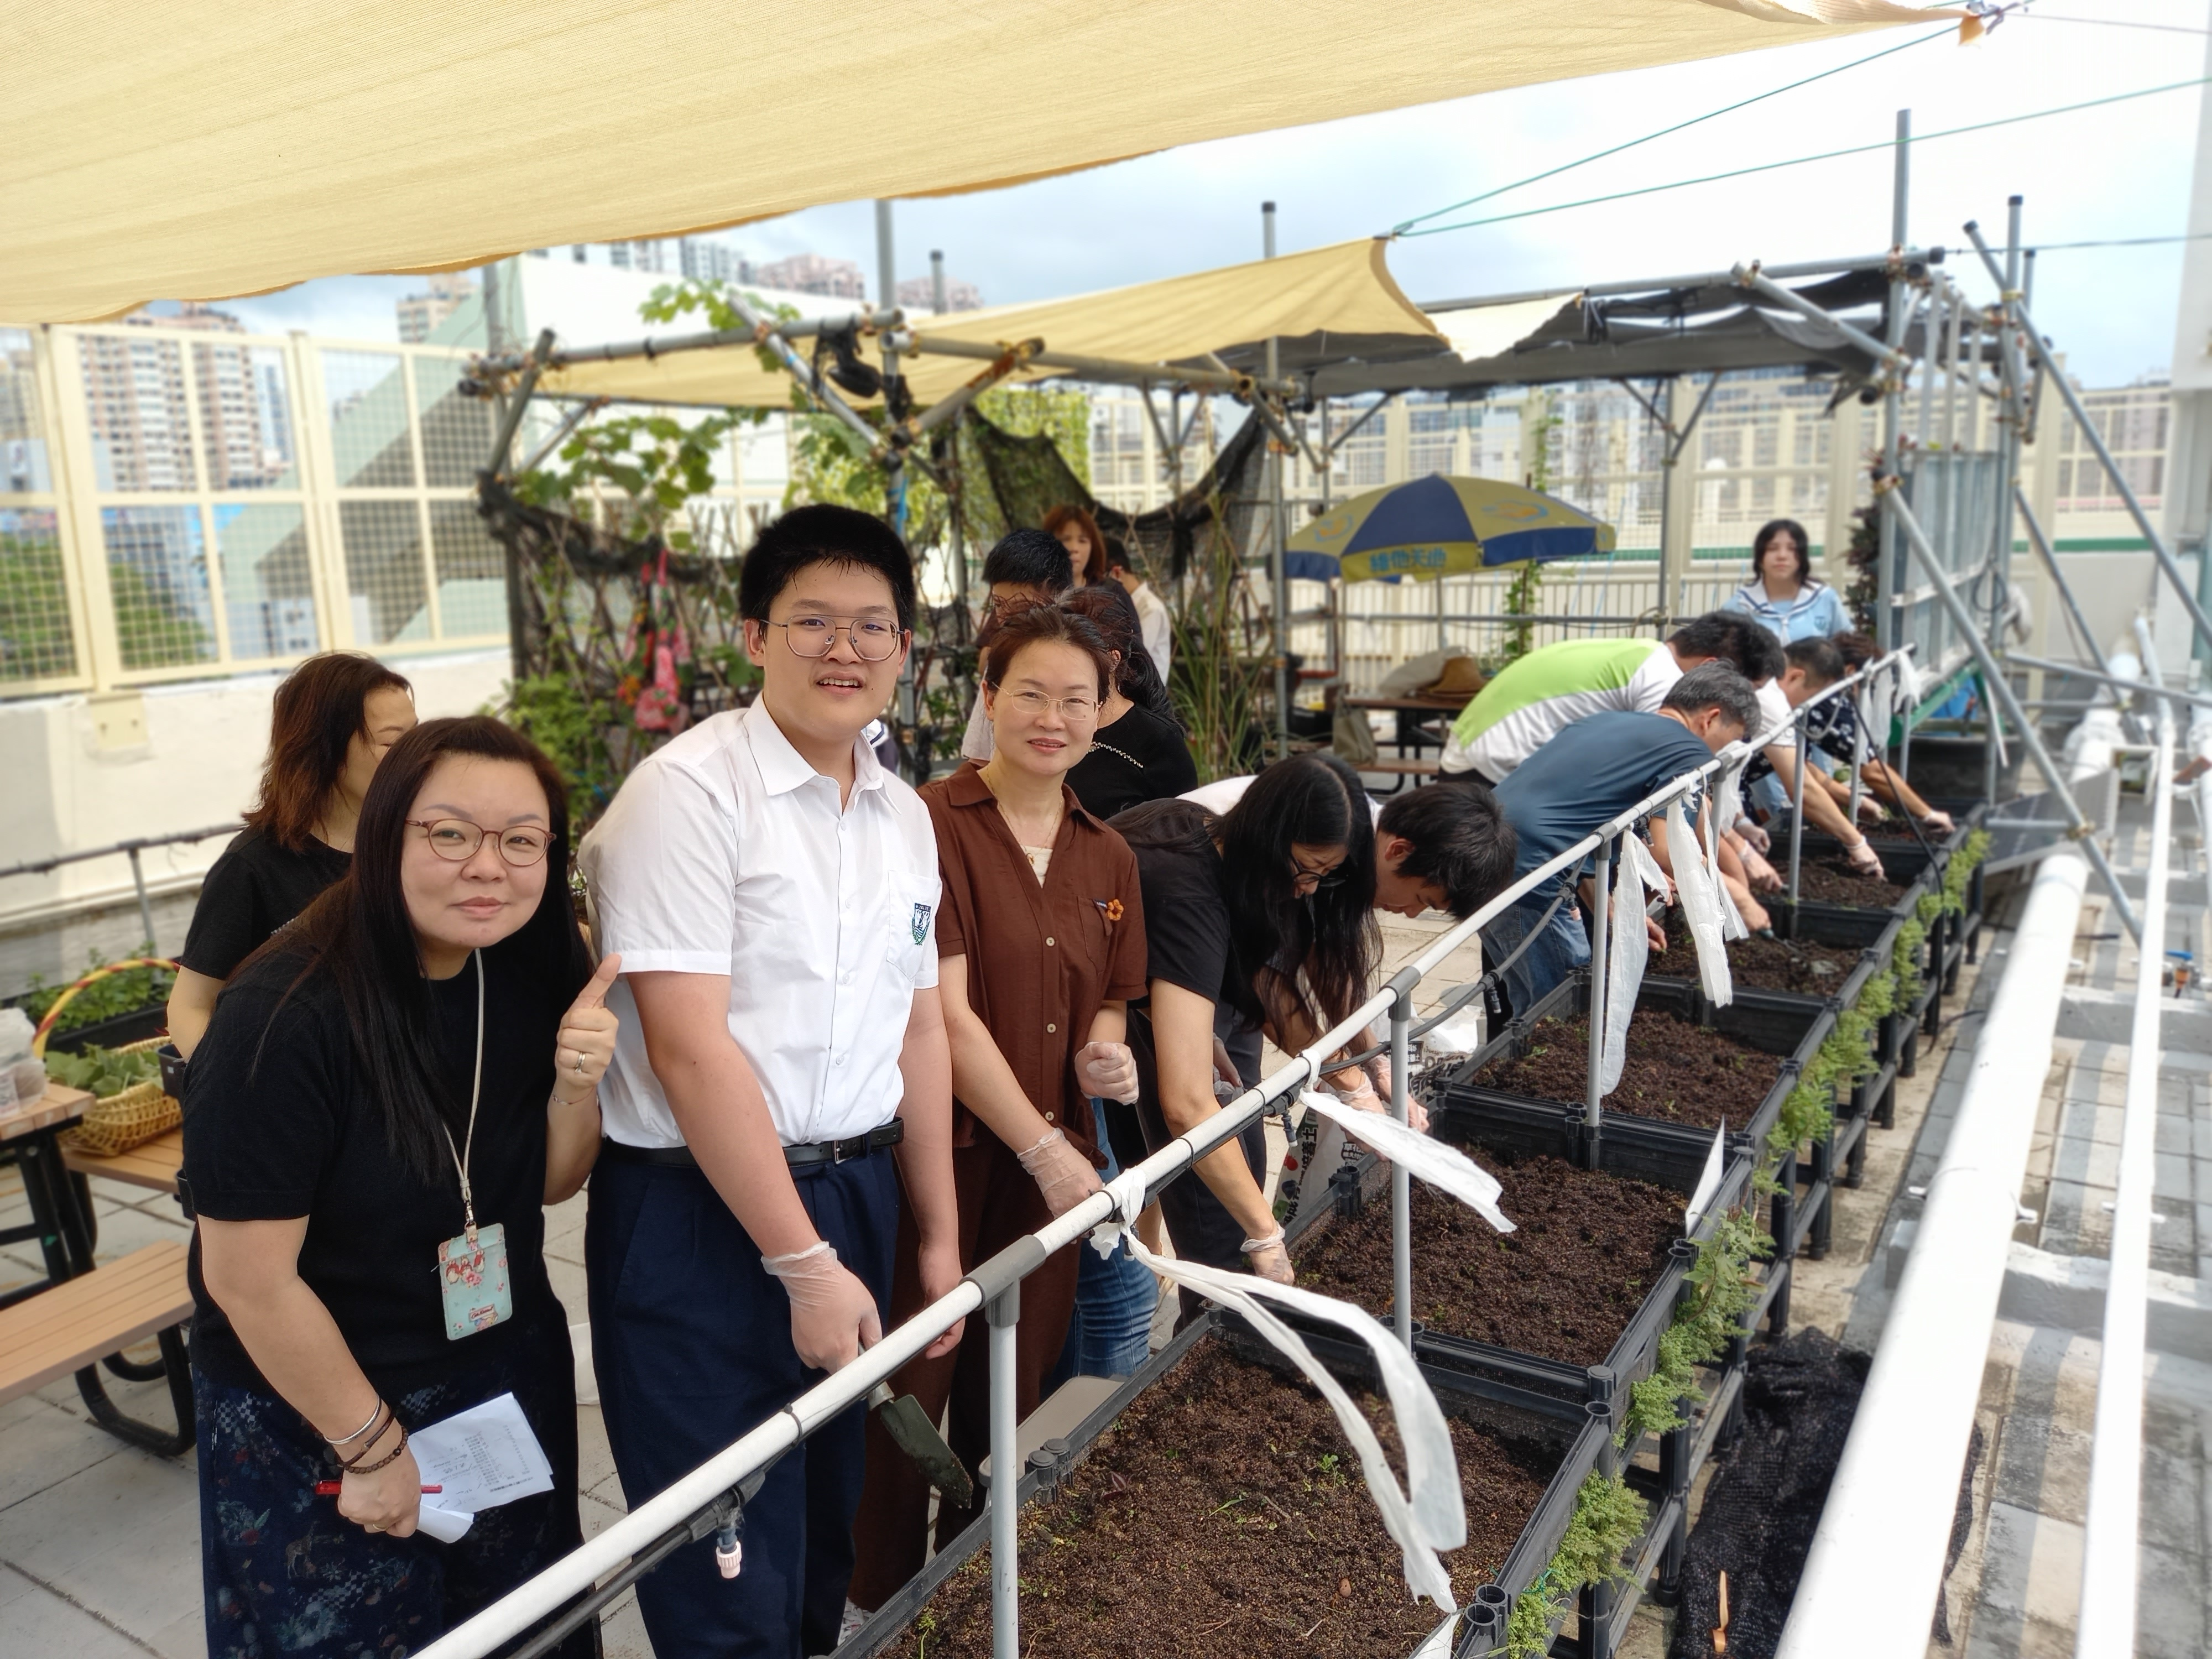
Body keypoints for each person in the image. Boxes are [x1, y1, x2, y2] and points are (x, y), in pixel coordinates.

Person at [578, 505, 964, 1659]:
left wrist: (937, 1236)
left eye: (872, 626)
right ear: (753, 637)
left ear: (905, 648)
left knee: (819, 1530)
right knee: (723, 1553)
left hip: (857, 1192)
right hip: (699, 1213)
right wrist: (800, 1264)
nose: (845, 649)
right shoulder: (686, 796)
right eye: (812, 622)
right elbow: (690, 1050)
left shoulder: (902, 815)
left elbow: (919, 1030)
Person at [183, 716, 614, 1659]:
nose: (488, 867)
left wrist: (577, 1088)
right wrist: (370, 1446)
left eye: (522, 841)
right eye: (450, 833)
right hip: (323, 1400)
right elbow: (249, 1280)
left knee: (533, 1630)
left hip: (499, 1371)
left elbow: (552, 1184)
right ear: (384, 833)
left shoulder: (530, 963)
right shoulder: (282, 1013)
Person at [847, 605, 1149, 1620]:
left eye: (1077, 700)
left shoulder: (1108, 853)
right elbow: (944, 1014)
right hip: (947, 1154)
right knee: (912, 1382)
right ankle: (879, 1609)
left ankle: (979, 1594)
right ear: (988, 697)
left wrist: (1107, 1053)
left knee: (1011, 1387)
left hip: (1052, 1161)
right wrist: (1045, 1150)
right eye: (1030, 694)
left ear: (1104, 713)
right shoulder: (926, 823)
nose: (1053, 719)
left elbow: (1113, 994)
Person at [1111, 754, 1385, 1323]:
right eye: (1306, 869)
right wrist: (1263, 1231)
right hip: (1057, 1039)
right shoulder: (1187, 890)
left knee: (1235, 1153)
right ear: (1268, 835)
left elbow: (1266, 985)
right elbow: (1187, 1104)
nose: (1307, 890)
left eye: (1325, 876)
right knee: (1125, 1276)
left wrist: (1354, 1087)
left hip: (1114, 1021)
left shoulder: (1221, 852)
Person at [168, 653, 416, 1057]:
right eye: (392, 742)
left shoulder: (419, 840)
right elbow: (189, 1008)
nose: (416, 758)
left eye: (417, 738)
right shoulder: (252, 866)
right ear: (325, 748)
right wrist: (234, 1085)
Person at [1482, 663, 1762, 1017]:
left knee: (1532, 1008)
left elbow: (1575, 832)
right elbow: (1668, 851)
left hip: (1481, 850)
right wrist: (1738, 897)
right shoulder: (1688, 751)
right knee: (1570, 1008)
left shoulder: (1603, 722)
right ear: (1711, 718)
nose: (1724, 755)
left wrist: (1615, 913)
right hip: (1531, 870)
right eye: (1733, 740)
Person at [1437, 612, 1781, 785]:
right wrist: (1739, 852)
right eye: (1745, 689)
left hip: (1472, 754)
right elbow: (1669, 774)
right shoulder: (1663, 679)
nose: (1741, 703)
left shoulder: (1643, 654)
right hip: (1488, 773)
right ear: (1711, 666)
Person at [1182, 771, 1516, 921]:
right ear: (1399, 851)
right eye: (1422, 900)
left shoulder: (1351, 843)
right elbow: (1275, 981)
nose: (1412, 913)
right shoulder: (1329, 843)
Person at [1057, 582, 1198, 818]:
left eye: (1076, 657)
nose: (1061, 667)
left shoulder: (1158, 741)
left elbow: (1184, 830)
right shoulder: (1047, 722)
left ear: (1113, 660)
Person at [960, 527, 1077, 764]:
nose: (1007, 618)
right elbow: (979, 756)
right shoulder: (1002, 659)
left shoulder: (1080, 664)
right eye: (999, 605)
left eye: (1022, 607)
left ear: (1060, 598)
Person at [1729, 517, 1848, 643]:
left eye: (1792, 549)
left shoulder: (1825, 599)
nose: (1782, 556)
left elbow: (1848, 646)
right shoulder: (1740, 605)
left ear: (1802, 556)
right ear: (1760, 557)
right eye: (1772, 548)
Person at [1103, 538, 1173, 687]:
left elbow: (1135, 655)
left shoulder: (1150, 608)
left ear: (1116, 573)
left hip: (1145, 694)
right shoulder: (1127, 605)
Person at [1042, 502, 1109, 587]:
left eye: (1082, 541)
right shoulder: (1033, 593)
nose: (1074, 548)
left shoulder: (1112, 591)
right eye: (1065, 540)